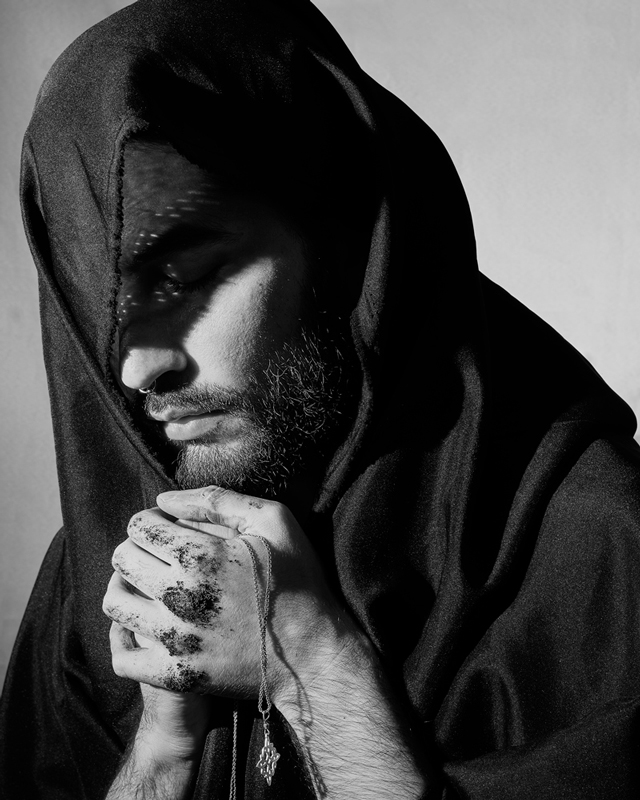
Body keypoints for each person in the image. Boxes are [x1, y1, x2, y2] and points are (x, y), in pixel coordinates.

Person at [2, 0, 640, 798]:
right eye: (96, 313)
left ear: (346, 239)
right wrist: (161, 757)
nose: (136, 369)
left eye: (187, 276)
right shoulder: (100, 575)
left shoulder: (601, 555)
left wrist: (313, 664)